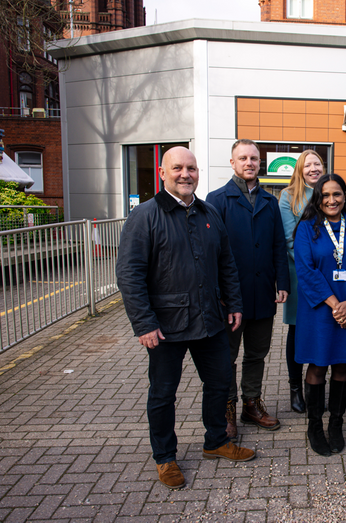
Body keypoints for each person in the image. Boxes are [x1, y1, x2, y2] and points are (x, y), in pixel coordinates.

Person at [116, 146, 256, 490]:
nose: (185, 174)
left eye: (191, 168)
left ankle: (215, 441)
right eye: (177, 168)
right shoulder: (145, 216)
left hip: (210, 320)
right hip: (165, 327)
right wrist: (144, 323)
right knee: (163, 394)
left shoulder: (209, 213)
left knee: (220, 382)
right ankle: (165, 458)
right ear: (163, 173)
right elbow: (129, 274)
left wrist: (234, 303)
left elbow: (226, 264)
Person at [206, 139, 290, 441]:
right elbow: (211, 251)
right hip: (231, 296)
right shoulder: (216, 200)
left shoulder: (270, 202)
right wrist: (219, 293)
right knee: (226, 355)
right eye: (243, 158)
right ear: (232, 163)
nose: (249, 163)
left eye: (254, 158)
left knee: (257, 353)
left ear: (260, 163)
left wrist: (283, 282)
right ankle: (228, 407)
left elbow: (278, 245)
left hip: (263, 291)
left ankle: (251, 404)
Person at [294, 173, 346, 456]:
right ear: (318, 199)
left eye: (337, 194)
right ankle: (315, 425)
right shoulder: (307, 228)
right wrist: (336, 305)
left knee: (343, 366)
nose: (332, 200)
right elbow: (306, 271)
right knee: (318, 366)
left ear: (345, 196)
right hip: (320, 311)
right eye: (326, 195)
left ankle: (336, 424)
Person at [279, 150, 324, 413]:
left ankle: (315, 386)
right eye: (308, 165)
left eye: (317, 163)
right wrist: (313, 270)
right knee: (297, 332)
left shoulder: (329, 190)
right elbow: (288, 239)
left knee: (322, 329)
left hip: (329, 273)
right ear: (300, 169)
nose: (313, 168)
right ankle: (295, 388)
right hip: (300, 274)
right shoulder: (288, 196)